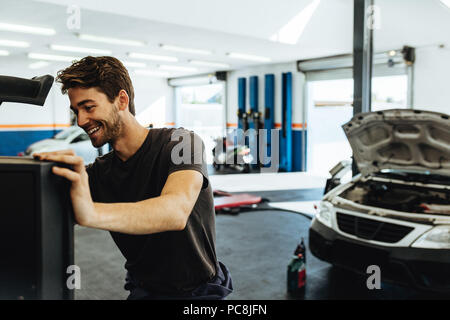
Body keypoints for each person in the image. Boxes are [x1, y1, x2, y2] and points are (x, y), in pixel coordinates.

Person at [34, 56, 233, 300]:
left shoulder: (182, 143)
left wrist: (92, 213)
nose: (81, 121)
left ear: (121, 100)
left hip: (198, 293)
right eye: (76, 111)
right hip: (144, 290)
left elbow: (175, 211)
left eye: (89, 107)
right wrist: (39, 174)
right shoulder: (97, 174)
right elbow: (41, 211)